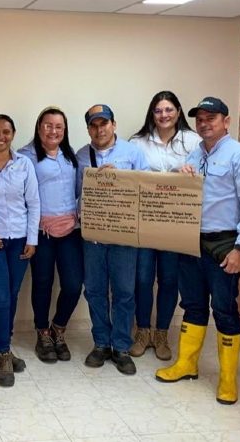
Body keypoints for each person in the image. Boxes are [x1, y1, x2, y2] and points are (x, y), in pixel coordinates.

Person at [155, 97, 240, 405]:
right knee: (192, 304)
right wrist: (180, 173)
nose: (204, 123)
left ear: (226, 121)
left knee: (225, 309)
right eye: (200, 119)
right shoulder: (195, 153)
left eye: (211, 118)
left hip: (226, 242)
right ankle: (186, 364)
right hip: (192, 239)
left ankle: (227, 378)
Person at [129, 91, 202, 361]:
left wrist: (191, 173)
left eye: (169, 109)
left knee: (170, 279)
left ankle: (162, 334)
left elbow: (202, 178)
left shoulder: (193, 141)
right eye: (158, 111)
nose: (164, 115)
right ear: (152, 114)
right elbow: (129, 175)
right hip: (145, 220)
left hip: (175, 221)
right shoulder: (137, 143)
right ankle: (143, 331)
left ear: (179, 112)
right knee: (143, 278)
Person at [78, 104, 149, 376]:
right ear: (88, 129)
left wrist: (117, 181)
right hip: (93, 236)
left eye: (104, 124)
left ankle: (121, 346)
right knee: (94, 290)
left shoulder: (133, 153)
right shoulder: (82, 156)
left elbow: (146, 190)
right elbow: (76, 194)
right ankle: (100, 343)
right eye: (94, 125)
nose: (99, 129)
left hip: (124, 237)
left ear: (114, 125)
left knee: (124, 292)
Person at [17, 107, 83, 363]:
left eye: (59, 127)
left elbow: (79, 190)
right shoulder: (26, 156)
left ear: (64, 131)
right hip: (40, 231)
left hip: (70, 230)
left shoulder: (71, 156)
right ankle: (43, 332)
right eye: (48, 125)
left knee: (73, 284)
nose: (53, 131)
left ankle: (59, 328)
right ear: (38, 127)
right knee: (42, 283)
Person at [0, 114, 39, 386]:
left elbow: (34, 203)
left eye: (6, 132)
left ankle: (1, 345)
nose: (0, 137)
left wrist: (32, 238)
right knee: (1, 296)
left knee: (12, 295)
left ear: (13, 134)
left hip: (19, 239)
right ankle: (3, 353)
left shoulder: (24, 163)